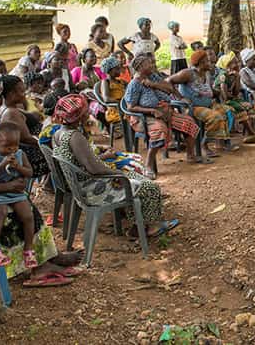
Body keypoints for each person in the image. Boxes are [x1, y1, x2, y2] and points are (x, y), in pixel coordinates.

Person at [51, 94, 178, 238]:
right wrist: (118, 174)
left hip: (82, 184)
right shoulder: (75, 137)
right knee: (149, 186)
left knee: (135, 176)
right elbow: (94, 169)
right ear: (78, 117)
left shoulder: (59, 133)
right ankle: (146, 228)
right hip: (93, 189)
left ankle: (138, 222)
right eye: (85, 112)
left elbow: (85, 162)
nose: (88, 114)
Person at [0, 174, 84, 287]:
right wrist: (6, 186)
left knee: (20, 199)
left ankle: (48, 256)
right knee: (11, 211)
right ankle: (41, 267)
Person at [123, 53, 203, 177]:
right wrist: (152, 111)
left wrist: (153, 84)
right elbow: (130, 107)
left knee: (189, 122)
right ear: (140, 67)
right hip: (144, 117)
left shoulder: (153, 77)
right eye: (149, 64)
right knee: (160, 130)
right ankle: (149, 164)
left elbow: (169, 88)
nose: (152, 66)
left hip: (165, 112)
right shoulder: (134, 84)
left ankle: (190, 155)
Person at [0, 122, 36, 268]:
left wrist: (18, 167)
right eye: (7, 146)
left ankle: (28, 249)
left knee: (28, 216)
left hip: (15, 193)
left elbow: (30, 172)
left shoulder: (20, 154)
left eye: (15, 145)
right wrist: (1, 164)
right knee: (2, 212)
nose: (12, 149)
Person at [166, 50, 237, 154]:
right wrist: (180, 98)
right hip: (193, 107)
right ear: (201, 63)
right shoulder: (188, 73)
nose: (210, 63)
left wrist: (221, 90)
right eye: (207, 61)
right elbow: (168, 81)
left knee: (228, 111)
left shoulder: (206, 74)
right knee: (215, 117)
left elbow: (207, 90)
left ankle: (221, 144)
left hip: (208, 105)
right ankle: (204, 144)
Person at [0, 75, 51, 179]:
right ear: (11, 94)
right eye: (22, 91)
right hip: (31, 159)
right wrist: (49, 144)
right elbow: (26, 138)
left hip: (29, 153)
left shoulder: (4, 108)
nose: (25, 94)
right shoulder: (11, 113)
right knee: (65, 155)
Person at [213, 52, 255, 137]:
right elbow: (225, 97)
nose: (238, 64)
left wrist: (237, 78)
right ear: (227, 65)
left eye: (237, 62)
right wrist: (233, 96)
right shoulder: (223, 76)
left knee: (249, 106)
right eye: (235, 63)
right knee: (240, 107)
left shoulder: (233, 75)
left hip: (231, 99)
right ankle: (251, 133)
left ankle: (248, 132)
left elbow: (236, 92)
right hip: (220, 101)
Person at [98, 55, 127, 126]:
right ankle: (130, 136)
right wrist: (121, 103)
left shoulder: (121, 81)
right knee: (134, 115)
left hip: (124, 107)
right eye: (117, 69)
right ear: (109, 71)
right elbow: (106, 98)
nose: (119, 70)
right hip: (115, 111)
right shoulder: (106, 82)